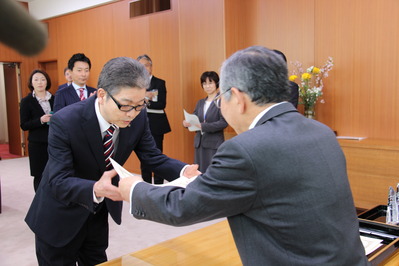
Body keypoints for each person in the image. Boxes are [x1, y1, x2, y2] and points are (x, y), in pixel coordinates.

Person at [118, 46, 369, 265]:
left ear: (237, 97)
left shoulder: (245, 149)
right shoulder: (321, 132)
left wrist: (133, 188)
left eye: (221, 100)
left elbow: (183, 208)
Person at [25, 57, 199, 265]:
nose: (132, 114)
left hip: (97, 212)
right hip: (59, 215)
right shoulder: (65, 121)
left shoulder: (138, 117)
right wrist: (96, 188)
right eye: (126, 106)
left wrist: (184, 171)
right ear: (102, 95)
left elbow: (152, 157)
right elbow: (58, 180)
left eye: (140, 105)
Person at [183, 71, 228, 172]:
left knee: (213, 172)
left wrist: (203, 126)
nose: (207, 86)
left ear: (217, 83)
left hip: (214, 144)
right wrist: (187, 123)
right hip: (199, 144)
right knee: (200, 172)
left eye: (210, 83)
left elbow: (223, 123)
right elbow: (194, 119)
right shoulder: (200, 102)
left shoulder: (222, 101)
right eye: (204, 83)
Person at [137, 54, 171, 184]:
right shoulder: (135, 85)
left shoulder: (159, 83)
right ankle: (145, 185)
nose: (144, 68)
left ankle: (158, 185)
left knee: (157, 155)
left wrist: (143, 101)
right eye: (140, 66)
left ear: (151, 67)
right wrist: (145, 96)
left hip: (156, 124)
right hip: (140, 124)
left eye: (146, 65)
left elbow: (161, 104)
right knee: (143, 157)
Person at [20, 69, 54, 191]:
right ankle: (40, 205)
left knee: (55, 173)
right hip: (37, 144)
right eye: (36, 79)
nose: (40, 82)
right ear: (31, 83)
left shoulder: (55, 98)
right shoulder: (26, 101)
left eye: (43, 79)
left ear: (47, 82)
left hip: (55, 142)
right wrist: (40, 120)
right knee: (39, 175)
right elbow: (24, 125)